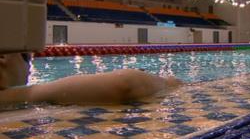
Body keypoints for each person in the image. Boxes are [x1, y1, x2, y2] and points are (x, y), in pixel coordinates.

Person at [0, 53, 182, 105]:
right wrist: (168, 82)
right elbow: (126, 83)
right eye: (27, 57)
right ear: (3, 57)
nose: (29, 68)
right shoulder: (14, 96)